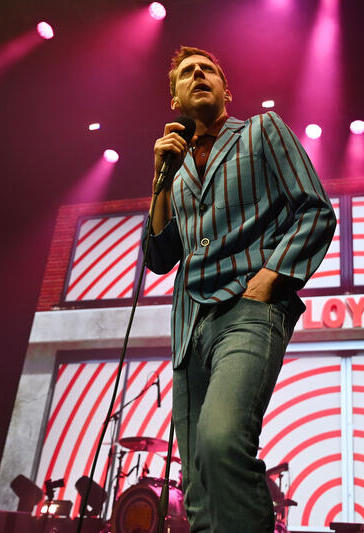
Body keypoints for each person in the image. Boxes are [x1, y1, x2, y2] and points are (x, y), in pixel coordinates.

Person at [142, 46, 336, 532]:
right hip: (188, 327)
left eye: (207, 70)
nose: (198, 75)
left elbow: (315, 210)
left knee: (222, 441)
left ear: (225, 89)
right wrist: (159, 180)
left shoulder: (261, 130)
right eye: (187, 73)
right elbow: (159, 256)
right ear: (175, 99)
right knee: (198, 483)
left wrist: (268, 280)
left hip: (247, 310)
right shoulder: (175, 165)